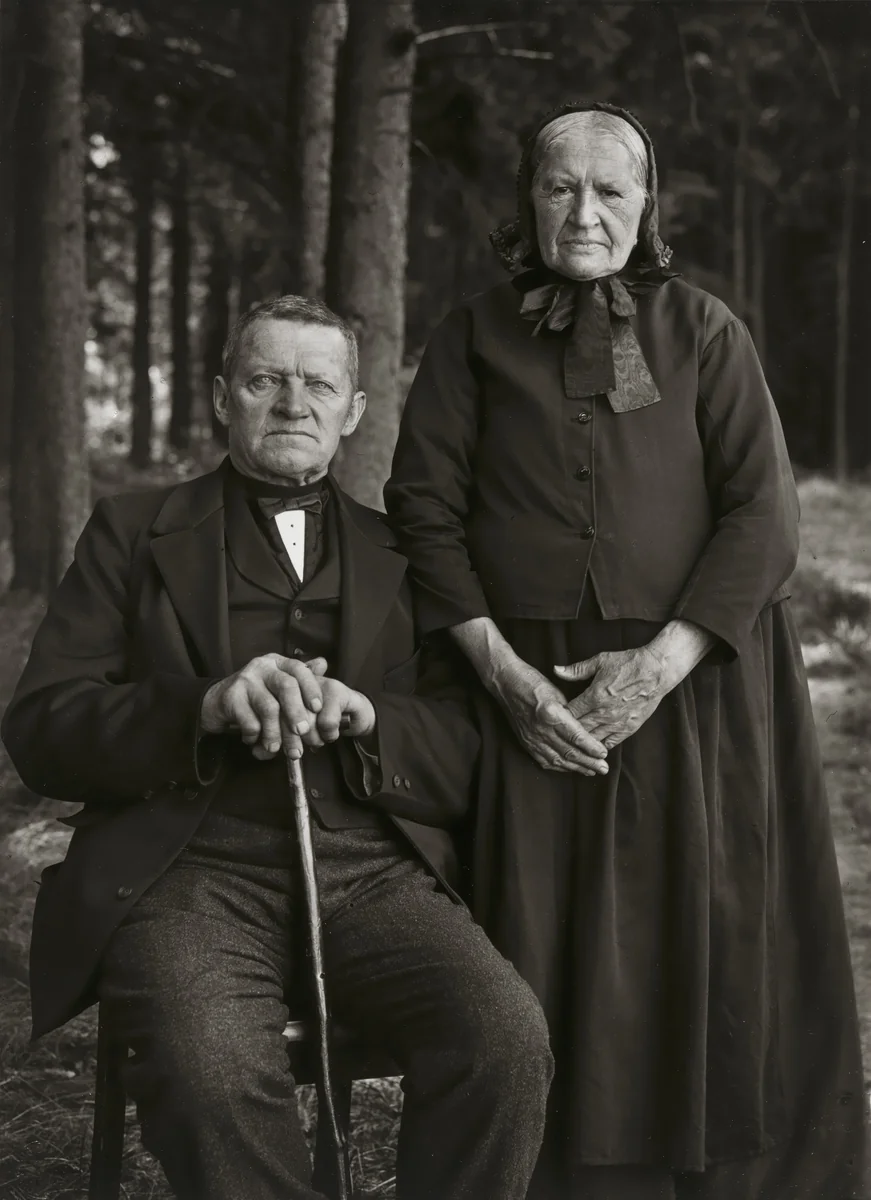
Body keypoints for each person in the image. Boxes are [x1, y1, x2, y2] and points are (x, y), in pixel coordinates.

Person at [385, 103, 866, 1200]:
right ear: (527, 202)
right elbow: (423, 510)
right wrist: (502, 678)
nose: (584, 210)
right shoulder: (469, 338)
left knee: (695, 936)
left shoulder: (704, 332)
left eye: (611, 189)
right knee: (543, 952)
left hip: (692, 693)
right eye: (560, 187)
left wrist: (659, 666)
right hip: (527, 698)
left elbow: (765, 514)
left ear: (648, 208)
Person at [2, 295, 553, 1200]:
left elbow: (464, 748)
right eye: (265, 380)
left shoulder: (404, 555)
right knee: (210, 1071)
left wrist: (370, 715)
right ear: (224, 397)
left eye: (317, 384)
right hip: (186, 873)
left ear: (354, 411)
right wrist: (206, 705)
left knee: (503, 1038)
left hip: (373, 870)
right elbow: (45, 728)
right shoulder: (131, 532)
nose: (292, 404)